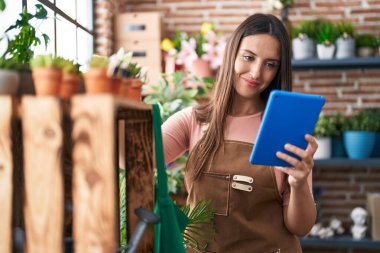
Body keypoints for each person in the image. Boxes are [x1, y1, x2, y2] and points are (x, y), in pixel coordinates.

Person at [162, 13, 317, 253]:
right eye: (249, 57)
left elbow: (300, 226)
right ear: (231, 54)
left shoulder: (284, 130)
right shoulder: (193, 121)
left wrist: (298, 185)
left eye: (270, 64)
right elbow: (132, 159)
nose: (256, 73)